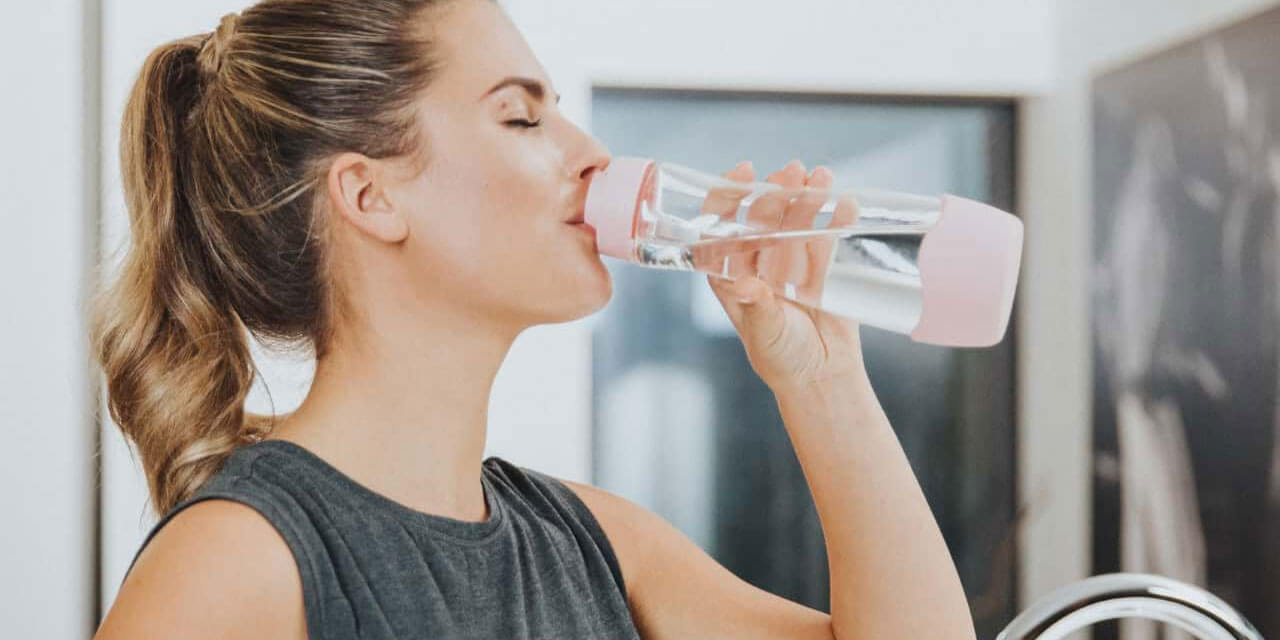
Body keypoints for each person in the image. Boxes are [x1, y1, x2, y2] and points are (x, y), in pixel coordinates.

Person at [90, 1, 975, 638]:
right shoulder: (239, 564)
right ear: (370, 195)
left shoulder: (596, 548)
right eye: (522, 115)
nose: (590, 153)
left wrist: (822, 381)